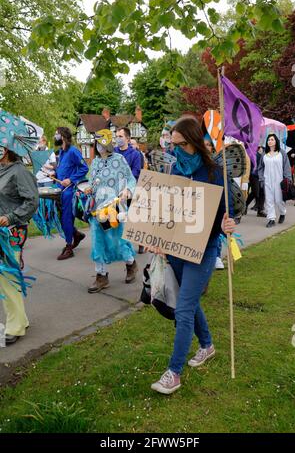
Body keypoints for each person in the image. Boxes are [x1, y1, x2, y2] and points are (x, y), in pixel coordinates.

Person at [150, 116, 235, 394]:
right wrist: (158, 239)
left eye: (180, 144)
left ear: (195, 142)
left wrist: (228, 224)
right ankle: (207, 345)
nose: (174, 149)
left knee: (183, 308)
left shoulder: (214, 172)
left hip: (205, 248)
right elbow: (167, 214)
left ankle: (174, 372)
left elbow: (228, 213)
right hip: (177, 249)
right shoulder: (174, 172)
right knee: (190, 300)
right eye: (171, 144)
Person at [0, 116, 39, 345]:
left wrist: (10, 217)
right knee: (4, 278)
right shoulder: (2, 170)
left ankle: (14, 326)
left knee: (7, 277)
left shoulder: (19, 171)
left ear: (6, 148)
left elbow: (32, 201)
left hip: (12, 231)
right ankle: (20, 320)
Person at [85, 129, 138, 293]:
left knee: (118, 241)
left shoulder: (119, 159)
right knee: (97, 242)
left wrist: (127, 190)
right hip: (97, 209)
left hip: (115, 208)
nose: (99, 146)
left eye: (101, 143)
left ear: (107, 143)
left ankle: (130, 264)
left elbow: (131, 178)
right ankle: (101, 275)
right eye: (97, 143)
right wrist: (89, 188)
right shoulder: (94, 162)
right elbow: (92, 182)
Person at [55, 127, 89, 260]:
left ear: (62, 136)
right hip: (60, 190)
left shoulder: (73, 151)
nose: (55, 136)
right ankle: (76, 234)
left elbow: (84, 167)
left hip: (69, 191)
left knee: (66, 218)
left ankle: (69, 247)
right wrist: (54, 173)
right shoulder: (61, 152)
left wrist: (71, 179)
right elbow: (63, 170)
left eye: (56, 134)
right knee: (60, 217)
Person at [258, 134, 292, 228]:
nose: (270, 141)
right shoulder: (264, 154)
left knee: (278, 200)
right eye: (268, 140)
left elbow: (287, 167)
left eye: (272, 139)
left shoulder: (282, 153)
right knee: (269, 200)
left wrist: (288, 178)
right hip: (267, 181)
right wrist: (261, 179)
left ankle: (282, 212)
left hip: (279, 181)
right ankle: (271, 219)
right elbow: (260, 168)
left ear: (276, 141)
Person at [204, 137, 224, 270]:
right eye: (202, 144)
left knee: (214, 227)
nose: (205, 147)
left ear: (212, 147)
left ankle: (217, 255)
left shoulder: (216, 165)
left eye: (208, 145)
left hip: (213, 201)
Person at [245, 146, 266, 217]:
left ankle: (260, 211)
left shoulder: (263, 153)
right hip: (253, 175)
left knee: (262, 192)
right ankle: (245, 205)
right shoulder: (250, 152)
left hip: (262, 175)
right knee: (255, 192)